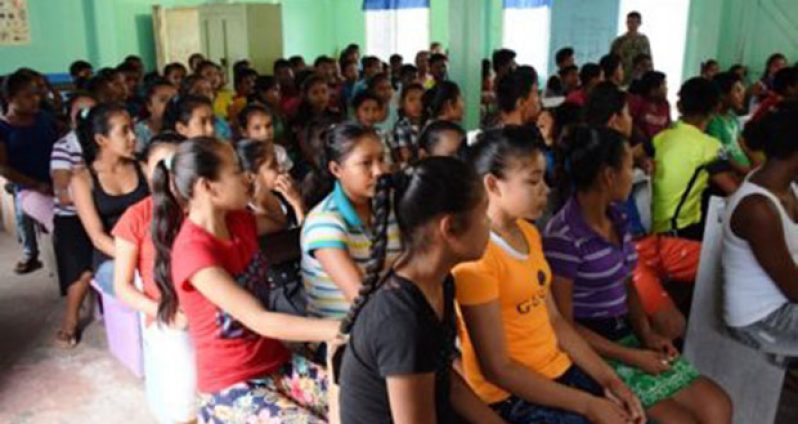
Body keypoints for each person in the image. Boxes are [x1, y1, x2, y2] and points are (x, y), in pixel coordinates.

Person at [455, 125, 645, 424]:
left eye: (544, 178)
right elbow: (498, 369)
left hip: (558, 370)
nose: (545, 189)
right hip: (511, 396)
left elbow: (555, 321)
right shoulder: (476, 260)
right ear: (492, 185)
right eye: (533, 181)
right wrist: (588, 405)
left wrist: (610, 381)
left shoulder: (529, 233)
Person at [545, 125, 732, 423]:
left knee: (718, 407)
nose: (634, 174)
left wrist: (646, 333)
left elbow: (627, 280)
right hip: (593, 349)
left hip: (628, 336)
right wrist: (631, 356)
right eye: (629, 166)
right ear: (608, 176)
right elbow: (565, 326)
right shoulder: (563, 237)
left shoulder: (617, 217)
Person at [151, 137, 340, 422]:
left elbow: (276, 222)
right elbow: (259, 319)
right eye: (237, 170)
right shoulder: (194, 251)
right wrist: (339, 329)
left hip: (273, 360)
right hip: (231, 383)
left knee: (357, 401)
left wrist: (261, 193)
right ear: (207, 187)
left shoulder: (237, 220)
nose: (247, 176)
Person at [338, 157, 504, 424]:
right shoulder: (403, 320)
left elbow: (448, 384)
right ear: (449, 228)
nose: (490, 223)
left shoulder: (440, 282)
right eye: (483, 215)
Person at [111, 133, 197, 423]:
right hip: (167, 316)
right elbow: (122, 286)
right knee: (184, 400)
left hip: (206, 309)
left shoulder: (200, 208)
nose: (166, 175)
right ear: (146, 169)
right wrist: (163, 311)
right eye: (159, 166)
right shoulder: (136, 217)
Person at [301, 122, 401, 321]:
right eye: (366, 163)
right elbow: (360, 299)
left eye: (381, 159)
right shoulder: (324, 222)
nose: (379, 171)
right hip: (344, 335)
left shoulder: (392, 205)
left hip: (390, 320)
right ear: (336, 169)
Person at [723, 101, 798, 356]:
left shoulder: (789, 188)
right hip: (760, 319)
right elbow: (794, 290)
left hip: (784, 303)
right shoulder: (757, 209)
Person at [72, 103, 150, 296]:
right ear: (101, 139)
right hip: (112, 257)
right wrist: (138, 257)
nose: (133, 137)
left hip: (151, 249)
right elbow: (98, 237)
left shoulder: (143, 167)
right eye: (124, 131)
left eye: (132, 128)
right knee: (136, 282)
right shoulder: (83, 180)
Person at [652, 78, 738, 240]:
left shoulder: (661, 137)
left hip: (656, 226)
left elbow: (636, 153)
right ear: (715, 109)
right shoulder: (710, 146)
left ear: (679, 106)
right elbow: (732, 188)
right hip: (681, 231)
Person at [0, 69, 60, 274]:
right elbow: (3, 167)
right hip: (28, 185)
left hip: (58, 180)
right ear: (10, 98)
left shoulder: (43, 118)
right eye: (28, 96)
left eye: (37, 94)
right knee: (48, 216)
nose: (35, 100)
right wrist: (36, 184)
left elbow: (63, 137)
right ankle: (30, 253)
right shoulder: (3, 128)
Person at [50, 92, 96, 347]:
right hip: (72, 217)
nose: (87, 118)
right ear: (71, 117)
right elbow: (65, 196)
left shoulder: (102, 144)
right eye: (81, 113)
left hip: (101, 211)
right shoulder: (64, 147)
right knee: (84, 271)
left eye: (93, 113)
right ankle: (70, 320)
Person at [707, 72, 757, 176]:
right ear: (722, 95)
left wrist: (756, 164)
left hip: (745, 169)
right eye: (737, 90)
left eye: (742, 90)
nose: (742, 94)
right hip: (732, 172)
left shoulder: (732, 117)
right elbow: (720, 153)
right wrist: (743, 170)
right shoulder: (714, 121)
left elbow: (741, 144)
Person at [238, 103, 293, 172]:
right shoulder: (241, 158)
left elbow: (287, 174)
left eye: (268, 126)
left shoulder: (279, 152)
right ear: (244, 132)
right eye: (257, 128)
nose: (265, 133)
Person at [627, 71, 671, 148]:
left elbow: (667, 126)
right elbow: (631, 124)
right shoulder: (637, 101)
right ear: (653, 90)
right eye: (664, 84)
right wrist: (647, 144)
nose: (666, 88)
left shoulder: (665, 104)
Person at [134, 78, 178, 154]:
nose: (170, 104)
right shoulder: (140, 132)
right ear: (149, 105)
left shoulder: (179, 126)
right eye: (163, 100)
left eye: (174, 99)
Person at [611, 11, 652, 86]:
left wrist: (650, 76)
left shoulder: (644, 40)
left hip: (639, 77)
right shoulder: (619, 41)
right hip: (623, 77)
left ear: (639, 23)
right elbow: (612, 61)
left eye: (634, 22)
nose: (631, 25)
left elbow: (649, 59)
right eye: (629, 22)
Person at [391, 82, 424, 165]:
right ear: (402, 104)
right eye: (411, 100)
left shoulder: (430, 123)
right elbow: (406, 157)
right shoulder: (401, 127)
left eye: (422, 100)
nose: (417, 104)